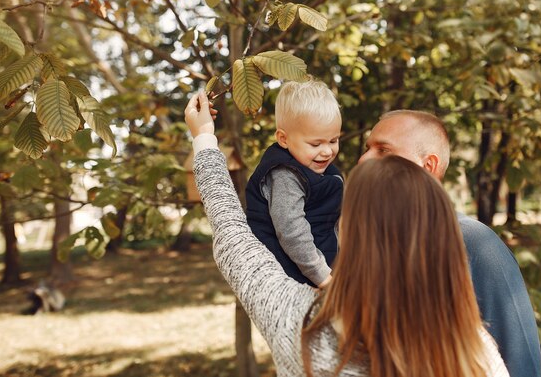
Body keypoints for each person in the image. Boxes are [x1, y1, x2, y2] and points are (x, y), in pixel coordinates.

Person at [185, 91, 510, 377]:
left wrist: (203, 137)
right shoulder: (474, 350)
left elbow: (230, 229)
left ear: (352, 230)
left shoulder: (302, 326)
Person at [359, 110, 541, 377]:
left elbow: (521, 365)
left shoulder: (476, 245)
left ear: (428, 166)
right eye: (367, 149)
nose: (364, 159)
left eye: (383, 150)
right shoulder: (361, 246)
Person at [245, 80, 342, 288]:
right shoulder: (284, 175)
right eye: (316, 144)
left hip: (320, 264)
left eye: (333, 141)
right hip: (290, 271)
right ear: (284, 139)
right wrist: (323, 277)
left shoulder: (320, 169)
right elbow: (291, 231)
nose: (327, 151)